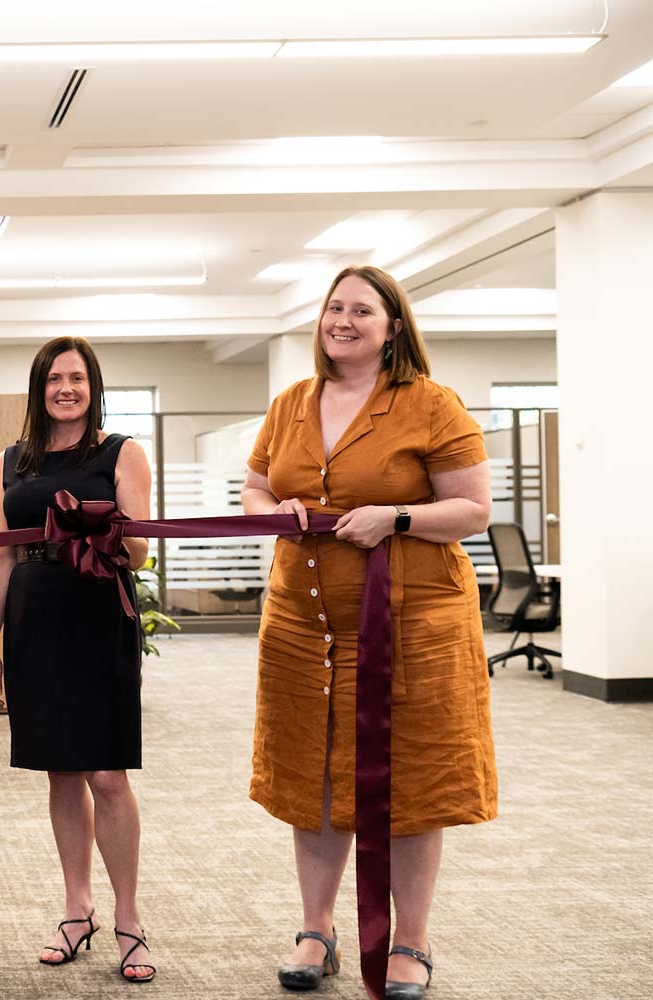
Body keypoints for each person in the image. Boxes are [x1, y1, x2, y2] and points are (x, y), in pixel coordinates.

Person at [241, 265, 494, 999]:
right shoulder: (292, 402)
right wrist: (271, 508)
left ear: (392, 329)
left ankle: (410, 940)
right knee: (311, 774)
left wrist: (398, 518)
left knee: (409, 777)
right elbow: (255, 485)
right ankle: (316, 929)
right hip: (300, 624)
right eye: (334, 308)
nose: (342, 320)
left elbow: (473, 510)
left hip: (411, 626)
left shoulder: (429, 404)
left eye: (362, 310)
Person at [0, 336, 156, 980]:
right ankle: (77, 909)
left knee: (107, 774)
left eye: (77, 378)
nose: (66, 389)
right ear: (39, 387)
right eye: (55, 379)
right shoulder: (11, 461)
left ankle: (129, 918)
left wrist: (103, 524)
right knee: (59, 772)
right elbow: (0, 553)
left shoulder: (120, 451)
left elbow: (139, 553)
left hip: (97, 611)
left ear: (93, 385)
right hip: (35, 613)